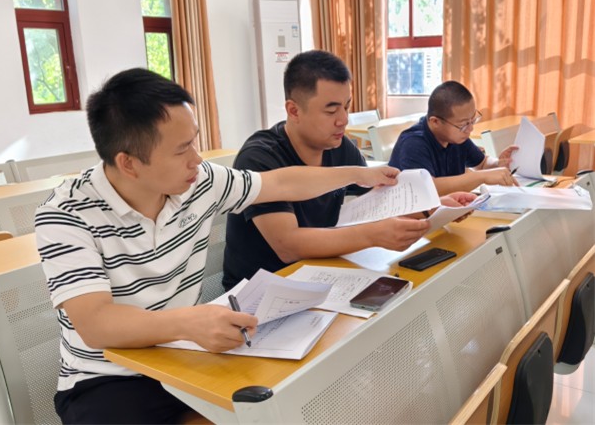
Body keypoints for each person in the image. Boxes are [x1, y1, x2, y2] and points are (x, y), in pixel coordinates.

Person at [34, 68, 402, 424]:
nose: (197, 159)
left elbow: (279, 184)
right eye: (182, 149)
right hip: (107, 381)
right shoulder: (66, 213)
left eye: (194, 141)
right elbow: (96, 323)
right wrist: (189, 323)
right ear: (128, 164)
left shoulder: (199, 182)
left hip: (185, 357)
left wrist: (358, 174)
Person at [223, 51, 475, 290]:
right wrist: (372, 235)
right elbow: (288, 246)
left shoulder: (339, 146)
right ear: (294, 110)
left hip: (323, 272)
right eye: (331, 110)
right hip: (262, 290)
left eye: (347, 106)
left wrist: (433, 207)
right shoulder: (260, 157)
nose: (343, 119)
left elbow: (377, 203)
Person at [389, 80, 518, 195]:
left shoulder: (457, 137)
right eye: (463, 124)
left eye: (472, 120)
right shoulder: (413, 143)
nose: (470, 129)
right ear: (435, 122)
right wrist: (481, 177)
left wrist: (498, 164)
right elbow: (427, 188)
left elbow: (482, 163)